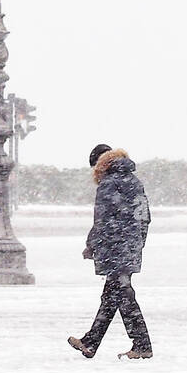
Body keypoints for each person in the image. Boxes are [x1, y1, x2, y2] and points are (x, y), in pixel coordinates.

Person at [68, 144, 153, 361]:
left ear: (99, 164)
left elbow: (103, 221)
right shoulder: (135, 182)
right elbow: (144, 216)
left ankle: (142, 345)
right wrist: (136, 242)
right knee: (112, 296)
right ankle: (90, 343)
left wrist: (92, 245)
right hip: (129, 247)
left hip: (115, 248)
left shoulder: (108, 184)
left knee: (123, 296)